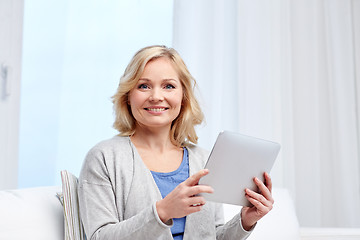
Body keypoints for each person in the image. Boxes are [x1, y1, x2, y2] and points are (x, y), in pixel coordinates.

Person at [78, 45, 274, 240]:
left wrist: (245, 221)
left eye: (169, 86)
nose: (156, 97)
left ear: (183, 98)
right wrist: (162, 212)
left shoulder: (204, 160)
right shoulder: (103, 157)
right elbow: (99, 236)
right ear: (128, 96)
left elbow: (211, 236)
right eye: (143, 86)